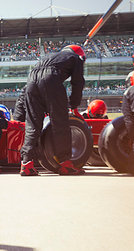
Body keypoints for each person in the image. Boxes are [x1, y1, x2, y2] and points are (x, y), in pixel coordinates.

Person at [20, 45, 86, 176]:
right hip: (50, 78)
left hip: (31, 80)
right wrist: (74, 105)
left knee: (33, 123)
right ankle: (65, 164)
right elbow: (77, 82)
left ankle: (26, 163)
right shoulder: (76, 58)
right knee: (60, 122)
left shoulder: (50, 56)